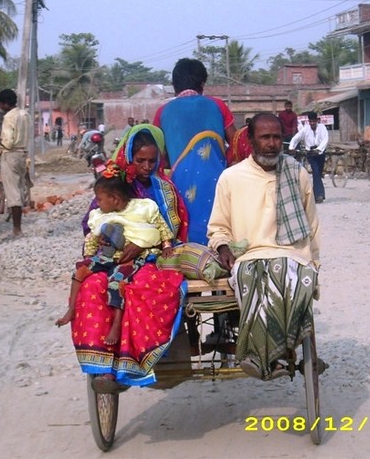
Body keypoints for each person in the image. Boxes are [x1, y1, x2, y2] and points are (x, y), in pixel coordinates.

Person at [60, 125, 188, 393]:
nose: (146, 166)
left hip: (150, 259)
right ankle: (103, 367)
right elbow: (93, 223)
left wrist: (143, 244)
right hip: (110, 257)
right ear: (129, 156)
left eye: (152, 161)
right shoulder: (113, 185)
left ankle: (133, 363)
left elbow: (173, 229)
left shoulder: (165, 190)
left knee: (139, 288)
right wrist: (104, 242)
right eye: (140, 160)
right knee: (92, 286)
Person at [207, 112, 320, 381]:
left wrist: (315, 263)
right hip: (250, 255)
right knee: (252, 277)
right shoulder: (231, 177)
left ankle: (263, 355)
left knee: (290, 278)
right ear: (250, 139)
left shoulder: (297, 172)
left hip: (292, 254)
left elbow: (312, 223)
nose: (271, 144)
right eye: (265, 137)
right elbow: (218, 227)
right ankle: (268, 354)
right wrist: (223, 248)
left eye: (276, 137)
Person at [58, 169, 175, 346]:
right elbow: (92, 238)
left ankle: (116, 324)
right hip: (107, 256)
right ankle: (71, 309)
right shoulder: (101, 216)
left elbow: (160, 227)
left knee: (115, 282)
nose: (97, 203)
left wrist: (166, 245)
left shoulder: (143, 208)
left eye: (99, 199)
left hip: (131, 258)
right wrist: (89, 257)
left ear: (114, 199)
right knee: (80, 271)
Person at [153, 58, 237, 244]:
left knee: (184, 234)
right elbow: (237, 142)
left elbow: (157, 155)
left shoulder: (163, 112)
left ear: (174, 85)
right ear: (202, 83)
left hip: (179, 185)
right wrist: (225, 162)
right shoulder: (218, 105)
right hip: (217, 182)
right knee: (220, 232)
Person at [0, 89, 31, 238]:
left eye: (0, 104)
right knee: (18, 188)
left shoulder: (9, 117)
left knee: (13, 193)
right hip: (22, 154)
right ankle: (17, 227)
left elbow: (8, 143)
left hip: (10, 155)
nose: (0, 107)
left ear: (6, 103)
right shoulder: (25, 115)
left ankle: (17, 230)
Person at [288, 111, 329, 203]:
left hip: (320, 152)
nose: (312, 123)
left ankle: (317, 193)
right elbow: (296, 138)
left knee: (318, 173)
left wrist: (318, 150)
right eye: (311, 121)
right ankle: (319, 195)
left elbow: (325, 140)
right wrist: (291, 147)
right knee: (316, 171)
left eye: (314, 121)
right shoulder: (305, 129)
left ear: (317, 120)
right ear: (309, 121)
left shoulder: (322, 128)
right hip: (310, 153)